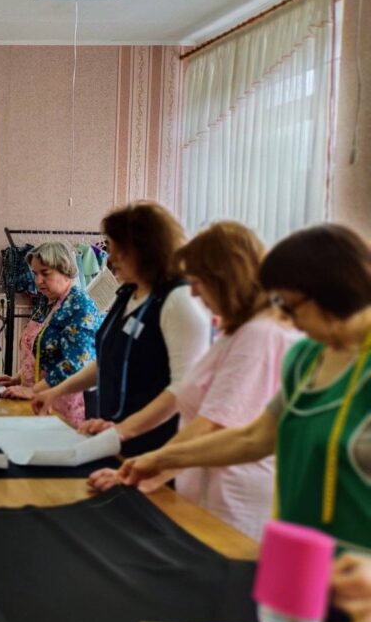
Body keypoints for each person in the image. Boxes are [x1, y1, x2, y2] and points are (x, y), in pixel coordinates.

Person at [119, 224, 371, 555]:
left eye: (291, 305)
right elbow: (253, 438)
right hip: (300, 546)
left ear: (332, 291)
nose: (289, 319)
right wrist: (157, 459)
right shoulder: (305, 357)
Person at [85, 222, 297, 540]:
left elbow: (211, 424)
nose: (194, 292)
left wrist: (145, 465)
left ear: (223, 280)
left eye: (197, 282)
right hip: (208, 487)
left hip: (233, 499)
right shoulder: (239, 332)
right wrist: (151, 471)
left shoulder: (259, 336)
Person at [34, 203, 211, 456]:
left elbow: (184, 388)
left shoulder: (178, 300)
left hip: (157, 445)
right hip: (117, 435)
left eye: (119, 251)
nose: (110, 258)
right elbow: (106, 360)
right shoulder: (128, 293)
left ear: (146, 250)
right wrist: (54, 392)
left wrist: (123, 430)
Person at [0, 241, 100, 425]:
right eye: (35, 274)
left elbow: (76, 363)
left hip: (63, 405)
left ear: (64, 269)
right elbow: (39, 351)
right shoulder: (47, 302)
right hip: (35, 399)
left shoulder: (80, 306)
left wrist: (34, 390)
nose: (38, 281)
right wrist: (18, 378)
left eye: (45, 273)